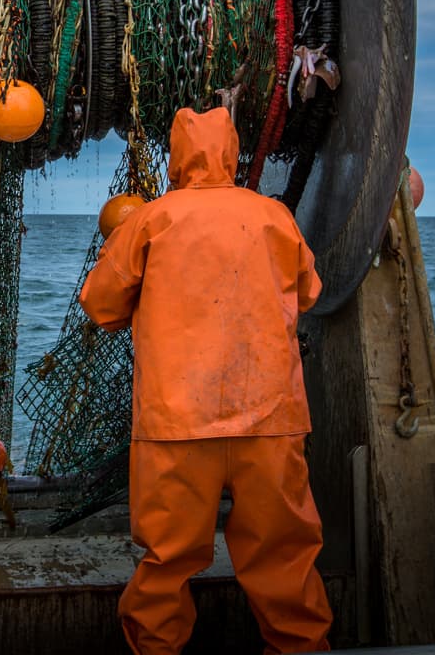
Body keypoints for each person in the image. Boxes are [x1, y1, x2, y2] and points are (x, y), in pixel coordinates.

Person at [79, 106, 333, 654]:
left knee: (166, 564)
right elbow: (309, 292)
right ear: (231, 152)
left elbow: (99, 305)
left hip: (175, 426)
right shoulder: (274, 218)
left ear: (176, 158)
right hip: (269, 420)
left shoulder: (150, 220)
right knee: (285, 560)